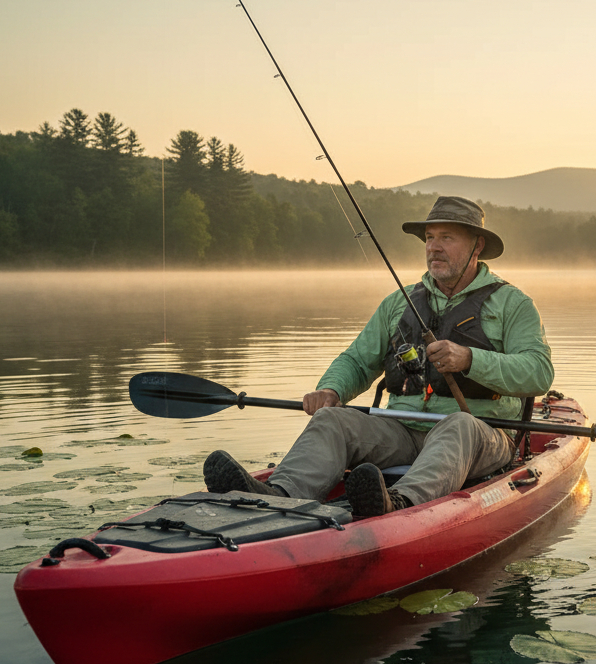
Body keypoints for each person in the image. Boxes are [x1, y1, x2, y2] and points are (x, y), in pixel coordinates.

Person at [203, 196, 554, 517]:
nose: (434, 247)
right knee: (332, 419)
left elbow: (539, 372)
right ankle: (277, 493)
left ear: (477, 245)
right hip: (402, 431)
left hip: (483, 436)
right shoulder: (397, 304)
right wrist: (331, 390)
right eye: (430, 238)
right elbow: (358, 360)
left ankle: (399, 503)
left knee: (458, 425)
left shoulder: (513, 304)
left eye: (447, 238)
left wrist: (470, 358)